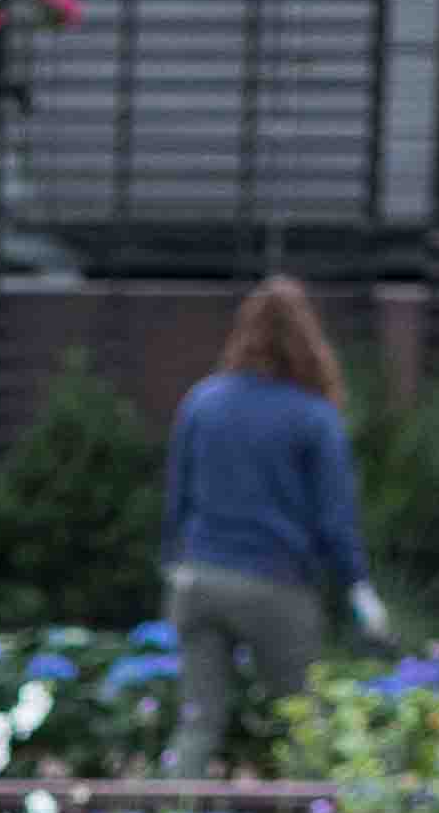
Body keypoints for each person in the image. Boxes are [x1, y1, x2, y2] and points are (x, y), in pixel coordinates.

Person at [163, 277, 386, 774]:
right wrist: (358, 587)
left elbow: (176, 499)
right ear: (308, 338)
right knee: (303, 722)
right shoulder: (313, 415)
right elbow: (335, 517)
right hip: (276, 586)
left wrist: (173, 566)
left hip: (199, 579)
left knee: (198, 723)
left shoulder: (202, 401)